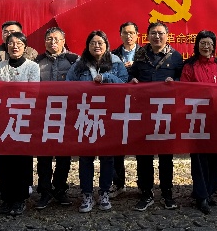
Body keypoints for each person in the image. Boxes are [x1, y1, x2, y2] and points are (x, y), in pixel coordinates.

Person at [67, 30, 128, 213]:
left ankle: (104, 192)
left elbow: (124, 84)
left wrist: (106, 78)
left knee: (107, 157)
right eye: (93, 43)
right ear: (87, 46)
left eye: (100, 42)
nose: (97, 46)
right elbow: (68, 86)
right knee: (85, 156)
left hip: (109, 115)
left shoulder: (116, 63)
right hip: (85, 114)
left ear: (107, 45)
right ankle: (86, 194)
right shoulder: (79, 65)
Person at [128, 21, 184, 211]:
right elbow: (132, 75)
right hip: (144, 111)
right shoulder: (140, 55)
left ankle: (167, 193)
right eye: (153, 33)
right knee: (144, 154)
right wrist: (133, 81)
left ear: (167, 35)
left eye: (160, 33)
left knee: (166, 155)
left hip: (166, 111)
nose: (157, 36)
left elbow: (183, 79)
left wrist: (174, 81)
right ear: (147, 36)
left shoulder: (175, 57)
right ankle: (146, 193)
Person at [181, 31, 217, 214]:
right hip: (197, 118)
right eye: (202, 43)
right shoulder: (189, 67)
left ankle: (210, 191)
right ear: (197, 45)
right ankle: (201, 195)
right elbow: (184, 91)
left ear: (214, 46)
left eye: (209, 43)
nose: (206, 46)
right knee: (199, 158)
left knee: (216, 156)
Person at [0, 31, 40, 216]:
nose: (15, 47)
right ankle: (6, 198)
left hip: (23, 118)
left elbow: (33, 92)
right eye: (11, 43)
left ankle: (20, 198)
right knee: (4, 159)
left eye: (19, 44)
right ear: (6, 46)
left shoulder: (32, 67)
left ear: (25, 47)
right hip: (3, 118)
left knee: (21, 159)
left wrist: (10, 94)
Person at [34, 27, 78, 210]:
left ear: (63, 41)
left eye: (56, 39)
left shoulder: (74, 61)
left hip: (66, 114)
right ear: (44, 42)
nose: (53, 42)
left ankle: (60, 189)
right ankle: (44, 191)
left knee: (64, 155)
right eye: (49, 39)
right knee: (43, 156)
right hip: (43, 115)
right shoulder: (36, 62)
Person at [110, 21, 140, 195]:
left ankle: (143, 184)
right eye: (125, 33)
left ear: (137, 35)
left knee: (141, 145)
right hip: (118, 104)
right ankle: (118, 183)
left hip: (139, 103)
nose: (128, 36)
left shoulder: (144, 54)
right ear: (120, 35)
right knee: (117, 145)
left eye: (131, 33)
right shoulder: (113, 55)